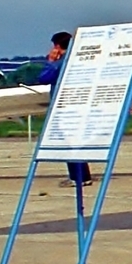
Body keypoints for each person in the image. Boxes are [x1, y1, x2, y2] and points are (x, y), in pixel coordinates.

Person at [36, 30, 91, 186]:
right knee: (76, 142)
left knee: (68, 143)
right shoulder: (79, 60)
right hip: (79, 105)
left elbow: (44, 78)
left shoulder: (60, 63)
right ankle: (84, 176)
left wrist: (51, 61)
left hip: (64, 107)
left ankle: (76, 177)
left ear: (57, 46)